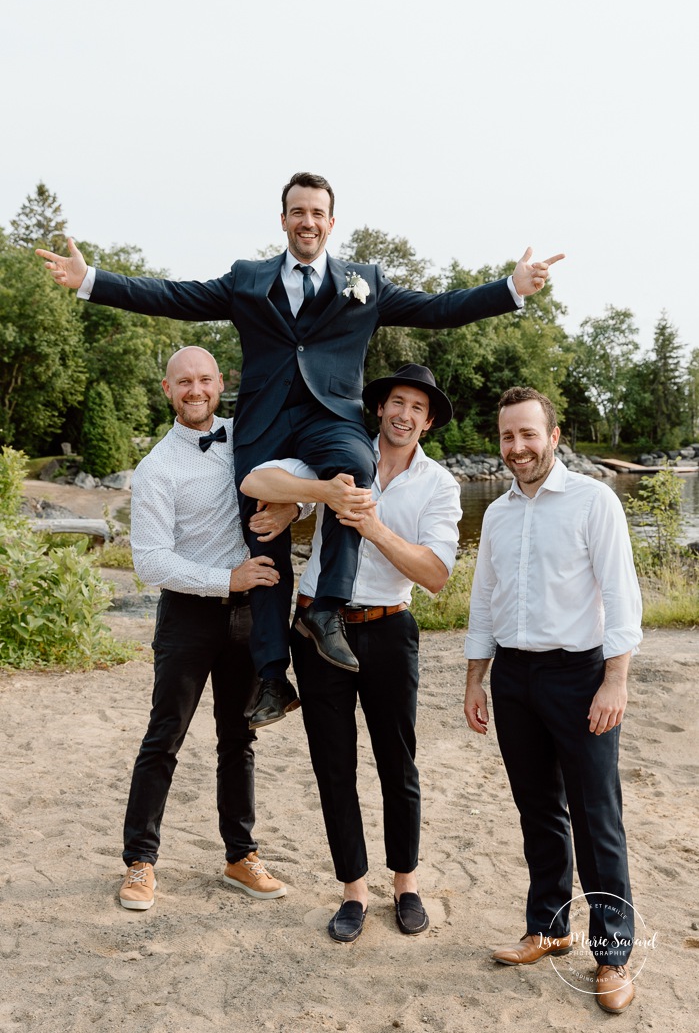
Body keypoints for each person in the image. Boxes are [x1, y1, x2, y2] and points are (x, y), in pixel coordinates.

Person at [37, 172, 563, 730]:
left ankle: (327, 610)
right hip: (263, 426)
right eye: (297, 212)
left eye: (317, 213)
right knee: (262, 533)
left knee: (356, 468)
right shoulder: (247, 279)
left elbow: (440, 308)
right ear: (283, 220)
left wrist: (510, 289)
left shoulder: (366, 283)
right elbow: (174, 297)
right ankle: (270, 675)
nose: (307, 221)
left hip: (330, 417)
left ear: (331, 223)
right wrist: (89, 279)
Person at [241, 364, 461, 942]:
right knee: (333, 765)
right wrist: (306, 499)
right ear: (379, 409)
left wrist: (372, 525)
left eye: (416, 407)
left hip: (389, 630)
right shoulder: (341, 452)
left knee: (398, 763)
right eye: (395, 402)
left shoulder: (440, 485)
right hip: (318, 629)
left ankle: (405, 884)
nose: (403, 414)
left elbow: (435, 574)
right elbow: (258, 480)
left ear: (428, 421)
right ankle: (353, 891)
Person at [463, 386, 642, 1015]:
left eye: (528, 435)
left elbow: (621, 597)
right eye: (508, 437)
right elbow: (484, 598)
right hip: (513, 678)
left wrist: (615, 680)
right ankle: (549, 926)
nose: (517, 448)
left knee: (598, 817)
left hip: (580, 676)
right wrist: (475, 677)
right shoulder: (498, 515)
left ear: (553, 436)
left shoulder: (593, 503)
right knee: (537, 808)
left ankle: (615, 953)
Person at [118, 344, 302, 912]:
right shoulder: (156, 468)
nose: (194, 391)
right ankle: (140, 863)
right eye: (183, 383)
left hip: (250, 619)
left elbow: (301, 476)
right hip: (188, 616)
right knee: (164, 736)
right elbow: (149, 561)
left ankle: (239, 856)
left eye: (204, 380)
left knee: (239, 738)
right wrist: (228, 578)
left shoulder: (250, 437)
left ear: (220, 382)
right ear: (168, 390)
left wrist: (293, 509)